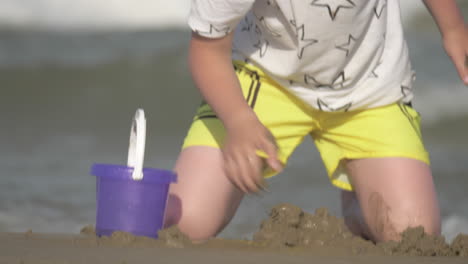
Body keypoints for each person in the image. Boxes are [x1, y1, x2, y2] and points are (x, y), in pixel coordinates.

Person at [164, 0, 467, 242]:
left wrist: (452, 28)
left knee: (412, 236)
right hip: (264, 77)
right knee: (184, 222)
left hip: (369, 86)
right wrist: (237, 119)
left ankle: (359, 202)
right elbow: (206, 50)